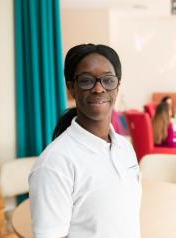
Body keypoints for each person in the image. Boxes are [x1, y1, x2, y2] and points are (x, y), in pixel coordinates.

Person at [29, 44, 141, 238]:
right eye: (87, 80)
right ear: (71, 87)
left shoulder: (125, 148)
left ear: (117, 85)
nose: (98, 88)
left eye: (107, 80)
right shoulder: (54, 162)